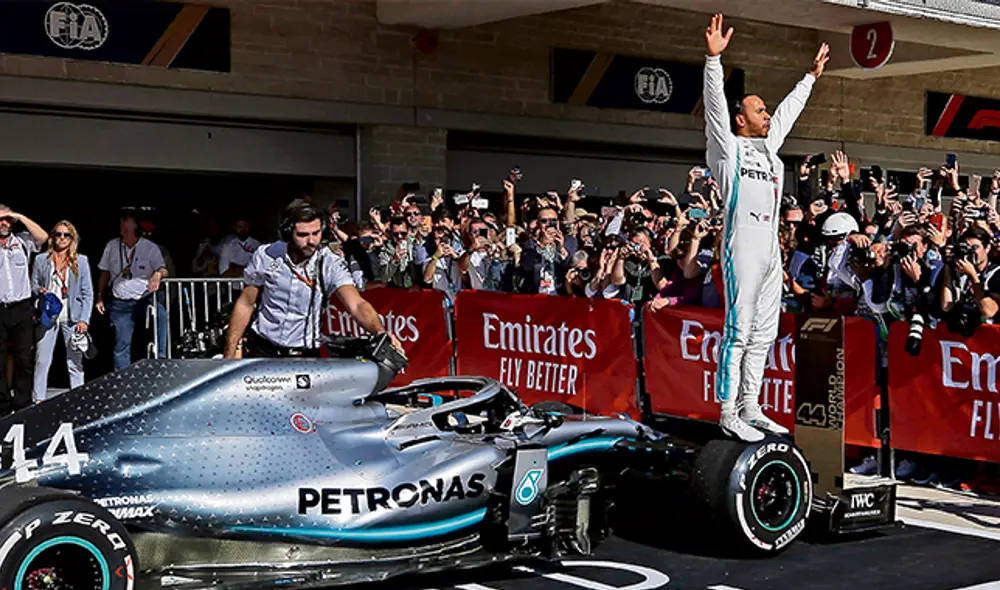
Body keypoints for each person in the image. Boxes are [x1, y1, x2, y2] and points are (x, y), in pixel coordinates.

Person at [703, 13, 829, 441]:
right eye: (759, 109)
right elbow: (715, 107)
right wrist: (713, 61)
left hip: (771, 250)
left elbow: (789, 113)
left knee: (765, 332)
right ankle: (727, 411)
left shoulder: (770, 151)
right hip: (742, 246)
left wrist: (810, 78)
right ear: (741, 119)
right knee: (738, 331)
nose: (767, 113)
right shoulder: (728, 149)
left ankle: (751, 407)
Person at [223, 201, 402, 358]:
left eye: (316, 233)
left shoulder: (330, 263)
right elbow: (246, 303)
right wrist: (229, 354)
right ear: (287, 234)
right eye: (303, 235)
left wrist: (380, 331)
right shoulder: (266, 255)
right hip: (263, 349)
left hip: (304, 354)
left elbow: (356, 304)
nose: (311, 241)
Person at [96, 213, 169, 370]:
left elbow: (163, 269)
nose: (122, 230)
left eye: (126, 227)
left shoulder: (149, 247)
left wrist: (158, 275)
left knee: (161, 314)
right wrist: (99, 296)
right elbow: (104, 272)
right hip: (120, 303)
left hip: (144, 299)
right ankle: (123, 377)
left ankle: (161, 358)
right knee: (121, 344)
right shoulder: (112, 246)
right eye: (121, 226)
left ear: (135, 229)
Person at [31, 221, 93, 401]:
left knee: (74, 361)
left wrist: (84, 319)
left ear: (72, 238)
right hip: (49, 313)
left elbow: (87, 292)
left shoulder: (81, 261)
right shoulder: (42, 259)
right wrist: (40, 291)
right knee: (42, 360)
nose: (62, 238)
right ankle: (38, 399)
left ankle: (78, 399)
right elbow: (33, 285)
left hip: (72, 314)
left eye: (66, 235)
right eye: (58, 234)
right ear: (53, 237)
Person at [0, 205, 47, 415]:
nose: (4, 223)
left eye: (7, 220)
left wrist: (19, 216)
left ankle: (22, 403)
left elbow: (43, 237)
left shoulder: (22, 242)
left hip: (21, 307)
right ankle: (2, 405)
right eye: (0, 220)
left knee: (24, 358)